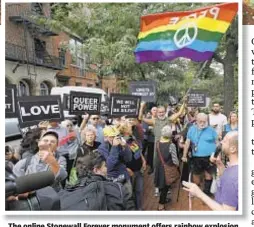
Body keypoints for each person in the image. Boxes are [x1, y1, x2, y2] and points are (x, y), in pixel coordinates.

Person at [183, 131, 238, 211]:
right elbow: (225, 178)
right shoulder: (234, 167)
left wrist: (199, 193)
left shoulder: (232, 178)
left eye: (225, 140)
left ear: (233, 149)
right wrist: (219, 164)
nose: (221, 142)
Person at [60, 151, 135, 210]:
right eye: (104, 166)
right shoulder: (119, 189)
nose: (107, 169)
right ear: (96, 170)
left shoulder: (67, 193)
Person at [182, 113, 218, 196]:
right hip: (196, 157)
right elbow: (187, 143)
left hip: (210, 157)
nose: (202, 123)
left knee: (208, 174)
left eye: (204, 121)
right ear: (196, 121)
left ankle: (206, 191)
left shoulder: (211, 130)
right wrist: (184, 155)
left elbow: (217, 143)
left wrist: (216, 155)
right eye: (200, 121)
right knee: (196, 175)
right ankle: (196, 190)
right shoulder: (191, 129)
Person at [98, 125, 133, 197]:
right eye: (111, 136)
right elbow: (110, 165)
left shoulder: (119, 144)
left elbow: (128, 159)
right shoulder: (102, 148)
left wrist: (125, 147)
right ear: (105, 138)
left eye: (116, 135)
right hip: (112, 180)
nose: (114, 138)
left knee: (129, 199)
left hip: (124, 178)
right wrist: (114, 147)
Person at [119, 120, 146, 210]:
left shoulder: (132, 138)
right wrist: (126, 168)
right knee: (130, 193)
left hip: (139, 168)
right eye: (129, 125)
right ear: (125, 129)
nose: (131, 126)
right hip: (129, 171)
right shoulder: (120, 141)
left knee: (139, 190)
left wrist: (143, 160)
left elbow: (137, 150)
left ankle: (140, 209)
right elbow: (120, 158)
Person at [154, 125, 179, 211]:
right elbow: (175, 160)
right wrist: (177, 165)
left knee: (161, 186)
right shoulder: (171, 145)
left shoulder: (157, 143)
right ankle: (161, 206)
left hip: (159, 168)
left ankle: (163, 199)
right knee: (165, 187)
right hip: (167, 168)